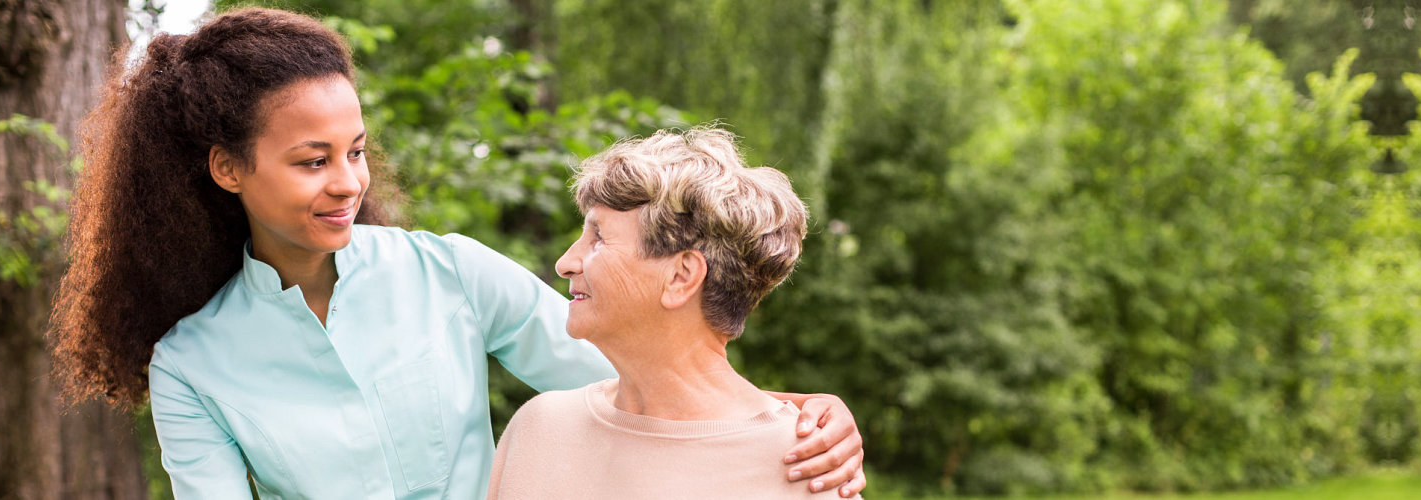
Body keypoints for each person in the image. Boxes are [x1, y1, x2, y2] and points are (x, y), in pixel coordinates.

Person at [49, 8, 866, 499]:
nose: (347, 183)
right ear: (228, 169)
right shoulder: (194, 365)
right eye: (312, 160)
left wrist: (796, 415)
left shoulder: (448, 271)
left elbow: (651, 376)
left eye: (357, 151)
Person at [487, 127, 847, 499]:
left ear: (680, 276)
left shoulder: (809, 468)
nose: (566, 263)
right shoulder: (539, 429)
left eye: (598, 238)